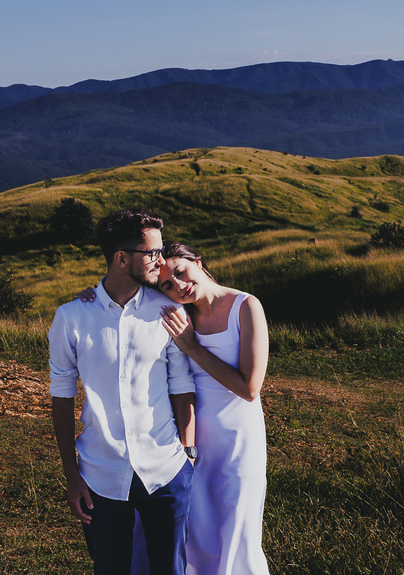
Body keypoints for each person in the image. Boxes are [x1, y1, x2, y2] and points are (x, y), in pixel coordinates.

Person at [49, 209, 197, 575]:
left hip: (166, 469)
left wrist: (188, 452)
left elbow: (180, 384)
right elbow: (61, 398)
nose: (160, 262)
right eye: (152, 253)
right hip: (100, 474)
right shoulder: (71, 317)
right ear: (121, 258)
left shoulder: (168, 310)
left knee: (170, 569)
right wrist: (71, 476)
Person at [156, 242, 270, 575]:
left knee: (238, 530)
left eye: (180, 272)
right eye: (167, 285)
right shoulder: (179, 315)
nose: (178, 285)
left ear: (198, 262)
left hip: (238, 440)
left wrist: (192, 347)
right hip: (191, 441)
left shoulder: (245, 306)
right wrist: (90, 294)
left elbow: (249, 388)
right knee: (197, 537)